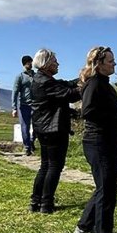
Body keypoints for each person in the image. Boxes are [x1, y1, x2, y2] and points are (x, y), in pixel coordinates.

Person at [73, 47, 117, 233]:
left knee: (104, 186)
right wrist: (116, 122)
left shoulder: (106, 85)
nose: (114, 64)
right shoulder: (94, 84)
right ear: (98, 64)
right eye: (111, 61)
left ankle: (83, 226)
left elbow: (104, 111)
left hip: (107, 141)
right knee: (107, 188)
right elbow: (89, 112)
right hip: (97, 142)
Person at [29, 49, 82, 213]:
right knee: (54, 166)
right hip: (53, 129)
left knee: (45, 165)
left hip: (43, 128)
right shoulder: (46, 82)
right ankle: (47, 203)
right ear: (46, 64)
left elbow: (64, 84)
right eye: (55, 61)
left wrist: (81, 79)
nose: (58, 64)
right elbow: (70, 94)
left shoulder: (40, 79)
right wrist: (87, 85)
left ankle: (36, 201)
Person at [12, 55, 36, 155]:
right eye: (28, 62)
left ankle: (31, 141)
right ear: (24, 64)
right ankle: (27, 147)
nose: (30, 64)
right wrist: (14, 107)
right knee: (24, 127)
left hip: (35, 105)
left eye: (31, 62)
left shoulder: (36, 75)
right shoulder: (20, 76)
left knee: (38, 126)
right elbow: (15, 92)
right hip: (23, 105)